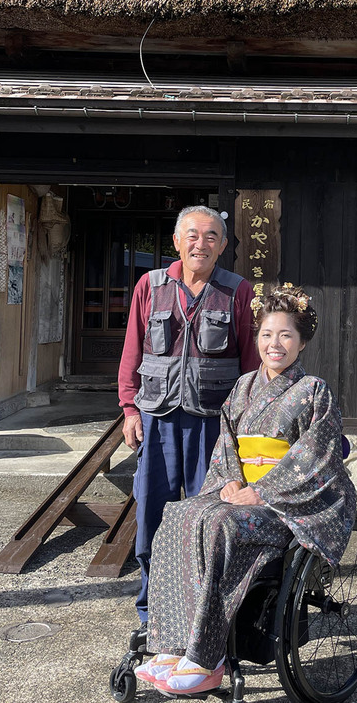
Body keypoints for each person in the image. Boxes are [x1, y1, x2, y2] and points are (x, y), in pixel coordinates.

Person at [134, 283, 356, 696]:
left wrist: (264, 491)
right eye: (267, 334)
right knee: (177, 514)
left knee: (219, 524)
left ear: (302, 341)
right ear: (257, 339)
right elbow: (227, 442)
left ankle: (207, 658)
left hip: (290, 505)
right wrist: (232, 478)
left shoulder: (313, 391)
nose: (275, 344)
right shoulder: (244, 387)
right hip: (242, 493)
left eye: (286, 335)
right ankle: (170, 645)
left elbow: (315, 455)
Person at [118, 205, 260, 626]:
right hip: (158, 419)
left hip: (213, 426)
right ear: (177, 242)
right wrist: (129, 408)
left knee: (210, 520)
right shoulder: (150, 285)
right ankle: (152, 610)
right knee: (151, 516)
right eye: (193, 235)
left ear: (222, 246)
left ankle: (205, 616)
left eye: (212, 236)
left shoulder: (238, 291)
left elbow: (250, 363)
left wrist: (244, 426)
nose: (202, 243)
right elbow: (132, 350)